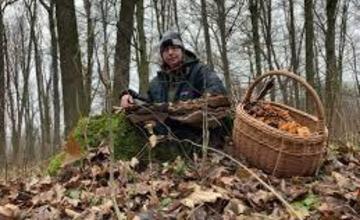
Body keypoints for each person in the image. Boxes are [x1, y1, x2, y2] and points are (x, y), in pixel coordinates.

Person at [120, 31, 227, 145]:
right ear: (162, 55)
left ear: (182, 50)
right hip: (167, 142)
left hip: (200, 139)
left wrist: (187, 108)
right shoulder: (156, 82)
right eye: (166, 50)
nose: (170, 53)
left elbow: (217, 90)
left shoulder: (200, 71)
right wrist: (128, 95)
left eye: (174, 48)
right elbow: (147, 103)